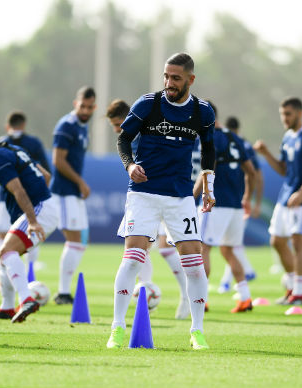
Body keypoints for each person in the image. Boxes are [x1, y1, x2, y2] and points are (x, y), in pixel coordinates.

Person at [107, 53, 216, 350]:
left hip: (179, 197)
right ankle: (117, 327)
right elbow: (123, 139)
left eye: (176, 78)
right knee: (133, 259)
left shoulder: (202, 112)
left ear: (191, 80)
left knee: (194, 265)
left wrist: (208, 188)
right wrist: (129, 166)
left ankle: (197, 331)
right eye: (166, 76)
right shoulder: (148, 104)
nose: (169, 83)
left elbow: (208, 152)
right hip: (143, 194)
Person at [107, 99, 191, 320]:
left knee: (165, 248)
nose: (117, 129)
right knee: (142, 249)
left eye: (118, 124)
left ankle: (185, 297)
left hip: (168, 195)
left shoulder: (146, 128)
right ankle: (145, 288)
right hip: (145, 198)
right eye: (114, 126)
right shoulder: (130, 137)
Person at [0, 123, 58, 323]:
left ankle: (26, 299)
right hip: (44, 206)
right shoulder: (14, 149)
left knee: (6, 251)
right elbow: (46, 176)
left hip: (39, 210)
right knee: (6, 257)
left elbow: (18, 190)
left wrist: (33, 221)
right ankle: (7, 307)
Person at [254, 97, 302, 306]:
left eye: (288, 114)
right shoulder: (288, 137)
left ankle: (299, 293)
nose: (284, 118)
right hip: (286, 197)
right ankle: (292, 286)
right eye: (282, 114)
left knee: (298, 241)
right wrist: (266, 154)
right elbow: (284, 169)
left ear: (299, 113)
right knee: (276, 241)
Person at [0, 111, 49, 295]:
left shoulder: (0, 144)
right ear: (24, 125)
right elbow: (46, 169)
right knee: (29, 235)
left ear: (7, 126)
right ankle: (29, 277)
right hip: (31, 198)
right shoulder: (32, 143)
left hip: (7, 198)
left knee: (3, 239)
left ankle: (4, 283)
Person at [197, 102, 256, 313]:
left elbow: (208, 169)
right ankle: (246, 298)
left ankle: (200, 299)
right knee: (229, 251)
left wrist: (205, 194)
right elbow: (251, 171)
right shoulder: (235, 138)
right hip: (235, 207)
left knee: (203, 248)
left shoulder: (211, 137)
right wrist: (247, 197)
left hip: (216, 204)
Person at [50, 87, 95, 305]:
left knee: (80, 241)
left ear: (94, 107)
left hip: (73, 193)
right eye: (82, 106)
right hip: (64, 192)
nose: (85, 110)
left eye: (89, 107)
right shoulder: (66, 126)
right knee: (75, 241)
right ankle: (63, 293)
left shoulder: (82, 127)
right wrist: (80, 182)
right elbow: (58, 160)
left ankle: (63, 291)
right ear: (75, 103)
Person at [217, 116, 262, 293]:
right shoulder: (243, 143)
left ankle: (229, 282)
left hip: (226, 201)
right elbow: (256, 174)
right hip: (240, 201)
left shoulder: (220, 140)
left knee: (223, 246)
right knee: (231, 245)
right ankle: (237, 283)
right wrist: (252, 199)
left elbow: (255, 173)